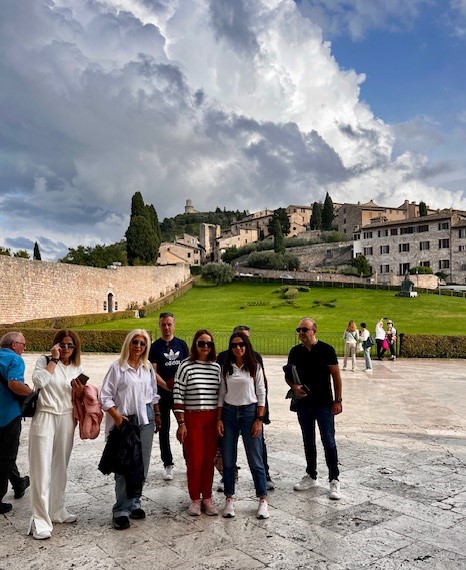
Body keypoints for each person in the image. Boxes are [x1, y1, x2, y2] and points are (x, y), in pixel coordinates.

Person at [100, 329, 161, 530]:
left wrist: (157, 415)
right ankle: (121, 509)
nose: (138, 347)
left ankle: (135, 502)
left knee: (141, 464)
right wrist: (117, 417)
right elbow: (105, 396)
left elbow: (153, 394)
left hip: (145, 418)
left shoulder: (147, 368)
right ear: (128, 343)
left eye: (142, 344)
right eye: (135, 342)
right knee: (124, 464)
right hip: (124, 420)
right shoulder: (117, 368)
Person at [28, 330, 84, 540]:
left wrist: (79, 393)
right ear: (56, 345)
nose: (67, 349)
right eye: (63, 345)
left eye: (71, 346)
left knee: (61, 465)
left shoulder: (77, 367)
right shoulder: (44, 361)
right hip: (45, 415)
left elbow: (78, 395)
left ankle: (57, 509)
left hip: (66, 416)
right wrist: (54, 359)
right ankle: (40, 520)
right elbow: (39, 382)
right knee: (40, 468)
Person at [285, 318, 342, 500]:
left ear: (314, 330)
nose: (301, 333)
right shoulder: (295, 352)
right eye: (299, 329)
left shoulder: (326, 350)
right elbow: (288, 375)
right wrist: (294, 388)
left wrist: (337, 400)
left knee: (328, 441)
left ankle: (334, 479)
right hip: (303, 404)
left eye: (305, 329)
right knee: (308, 440)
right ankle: (311, 475)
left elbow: (336, 376)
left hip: (324, 403)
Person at [217, 331, 269, 519]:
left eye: (241, 345)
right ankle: (229, 498)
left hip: (249, 413)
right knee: (229, 459)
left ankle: (262, 499)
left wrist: (259, 419)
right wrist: (219, 419)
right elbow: (221, 395)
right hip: (230, 414)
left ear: (247, 346)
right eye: (234, 345)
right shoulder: (226, 367)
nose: (238, 348)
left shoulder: (254, 366)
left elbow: (262, 392)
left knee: (255, 458)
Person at [173, 329, 221, 516]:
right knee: (194, 461)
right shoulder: (186, 366)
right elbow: (178, 393)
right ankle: (195, 498)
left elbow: (219, 396)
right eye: (201, 343)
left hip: (210, 418)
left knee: (209, 460)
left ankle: (207, 497)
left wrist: (218, 419)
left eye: (209, 344)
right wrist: (181, 422)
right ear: (195, 345)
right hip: (192, 419)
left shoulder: (216, 367)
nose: (205, 347)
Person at [148, 312, 189, 481]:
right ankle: (168, 464)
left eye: (169, 324)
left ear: (174, 325)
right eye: (163, 325)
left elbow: (187, 367)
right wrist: (166, 386)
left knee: (186, 427)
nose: (166, 327)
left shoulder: (181, 345)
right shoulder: (155, 347)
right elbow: (153, 371)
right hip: (163, 394)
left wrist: (180, 387)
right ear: (160, 326)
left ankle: (189, 461)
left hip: (181, 394)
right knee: (163, 430)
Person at [0, 332, 31, 515]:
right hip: (8, 415)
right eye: (23, 344)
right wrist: (32, 394)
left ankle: (19, 483)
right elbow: (14, 384)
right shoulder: (15, 360)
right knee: (7, 456)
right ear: (14, 345)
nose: (24, 348)